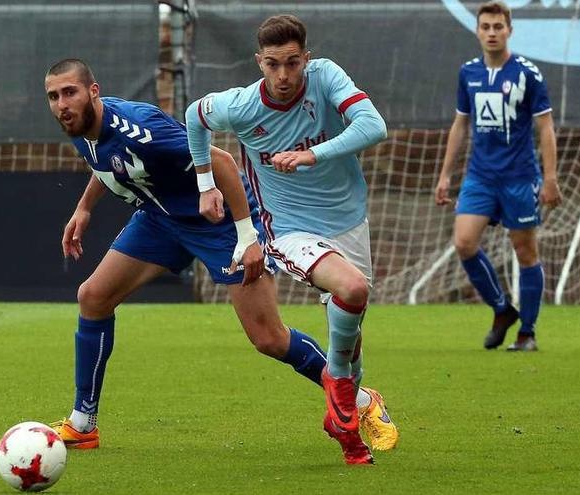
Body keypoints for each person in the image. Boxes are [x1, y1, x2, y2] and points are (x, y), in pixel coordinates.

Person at [42, 59, 396, 460]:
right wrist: (85, 207)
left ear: (93, 92)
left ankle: (363, 400)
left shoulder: (140, 129)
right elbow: (108, 162)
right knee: (93, 296)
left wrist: (248, 236)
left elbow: (224, 163)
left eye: (69, 92)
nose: (61, 104)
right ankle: (83, 423)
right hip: (161, 221)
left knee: (269, 338)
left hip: (221, 223)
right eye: (53, 96)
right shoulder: (79, 125)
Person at [185, 15, 392, 464]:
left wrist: (311, 154)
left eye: (292, 63)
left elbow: (374, 127)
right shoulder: (240, 105)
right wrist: (206, 184)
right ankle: (340, 395)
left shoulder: (325, 76)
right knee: (352, 289)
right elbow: (193, 117)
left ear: (306, 60)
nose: (283, 75)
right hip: (289, 228)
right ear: (259, 62)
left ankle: (348, 415)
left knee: (352, 336)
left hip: (350, 220)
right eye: (273, 64)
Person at [435, 1, 562, 352]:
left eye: (498, 27)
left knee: (525, 251)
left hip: (519, 178)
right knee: (464, 243)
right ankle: (502, 309)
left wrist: (550, 178)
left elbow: (546, 127)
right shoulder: (469, 73)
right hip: (480, 176)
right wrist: (445, 175)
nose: (492, 32)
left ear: (510, 30)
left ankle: (528, 332)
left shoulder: (527, 74)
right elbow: (460, 124)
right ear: (477, 31)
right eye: (486, 27)